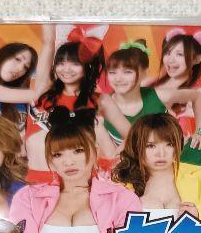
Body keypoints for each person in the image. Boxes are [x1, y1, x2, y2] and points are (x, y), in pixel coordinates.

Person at [9, 118, 142, 233]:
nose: (68, 162)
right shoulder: (27, 198)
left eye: (78, 151)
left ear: (96, 152)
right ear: (50, 161)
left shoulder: (124, 199)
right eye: (58, 155)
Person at [23, 25, 133, 178]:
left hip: (80, 183)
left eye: (75, 64)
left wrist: (113, 162)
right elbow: (48, 41)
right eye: (61, 63)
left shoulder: (100, 100)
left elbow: (133, 134)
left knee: (98, 126)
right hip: (38, 180)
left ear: (87, 66)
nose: (66, 69)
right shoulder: (43, 90)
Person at [102, 40, 201, 171]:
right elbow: (111, 155)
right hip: (146, 175)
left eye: (127, 72)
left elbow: (196, 97)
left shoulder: (158, 95)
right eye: (113, 72)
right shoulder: (103, 110)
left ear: (143, 73)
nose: (119, 79)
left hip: (188, 161)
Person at [112, 113, 201, 221]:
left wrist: (198, 214)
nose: (161, 153)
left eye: (169, 144)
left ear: (178, 145)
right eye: (151, 146)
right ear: (136, 147)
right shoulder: (121, 186)